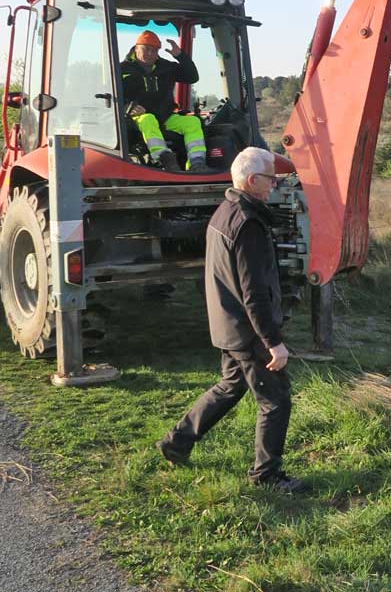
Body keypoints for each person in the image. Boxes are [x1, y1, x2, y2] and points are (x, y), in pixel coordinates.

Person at [156, 147, 305, 493]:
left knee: (230, 386)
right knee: (276, 399)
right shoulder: (249, 224)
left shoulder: (224, 212)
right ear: (253, 181)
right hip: (248, 330)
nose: (274, 185)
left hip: (227, 324)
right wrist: (273, 342)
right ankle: (266, 475)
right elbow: (253, 293)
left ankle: (176, 442)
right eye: (271, 178)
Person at [121, 30, 209, 171]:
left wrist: (180, 56)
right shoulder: (121, 69)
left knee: (192, 122)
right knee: (148, 119)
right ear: (136, 48)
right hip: (136, 119)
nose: (150, 53)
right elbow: (112, 97)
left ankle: (196, 163)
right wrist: (127, 108)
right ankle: (165, 160)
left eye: (154, 50)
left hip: (164, 117)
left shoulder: (166, 67)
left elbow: (192, 77)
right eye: (146, 49)